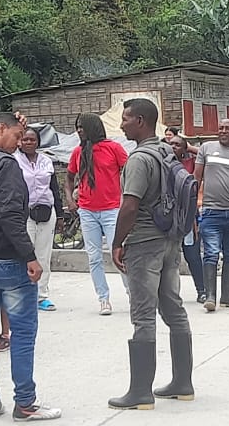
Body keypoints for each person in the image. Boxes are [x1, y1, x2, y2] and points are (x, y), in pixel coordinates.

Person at [0, 112, 62, 421]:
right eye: (17, 136)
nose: (20, 143)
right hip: (8, 260)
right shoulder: (5, 165)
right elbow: (10, 215)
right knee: (22, 333)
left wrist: (17, 124)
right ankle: (25, 402)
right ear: (1, 129)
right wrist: (30, 255)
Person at [108, 98, 195, 410]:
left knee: (143, 316)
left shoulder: (139, 160)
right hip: (170, 239)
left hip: (144, 243)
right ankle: (183, 384)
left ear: (141, 121)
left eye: (126, 119)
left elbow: (130, 205)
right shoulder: (166, 151)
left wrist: (117, 243)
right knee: (174, 309)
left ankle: (140, 392)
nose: (121, 125)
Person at [67, 112, 128, 316]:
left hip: (112, 209)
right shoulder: (78, 152)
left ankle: (133, 294)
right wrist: (69, 198)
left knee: (119, 254)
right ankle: (104, 299)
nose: (79, 130)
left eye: (82, 126)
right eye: (77, 127)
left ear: (93, 127)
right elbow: (69, 177)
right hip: (87, 210)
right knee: (94, 258)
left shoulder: (113, 148)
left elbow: (129, 170)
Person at [193, 118, 229, 312]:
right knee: (210, 253)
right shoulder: (206, 149)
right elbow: (197, 178)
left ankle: (228, 296)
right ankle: (210, 296)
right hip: (211, 212)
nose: (223, 131)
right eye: (221, 128)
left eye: (228, 128)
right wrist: (193, 206)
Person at [16, 127, 64, 312]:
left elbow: (54, 188)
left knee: (44, 255)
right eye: (25, 140)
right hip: (25, 213)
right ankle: (25, 296)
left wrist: (60, 215)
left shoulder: (46, 161)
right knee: (26, 254)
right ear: (20, 141)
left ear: (38, 142)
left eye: (32, 140)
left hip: (46, 212)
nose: (28, 143)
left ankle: (42, 296)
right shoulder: (14, 161)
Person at [169, 135, 206, 303]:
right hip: (169, 218)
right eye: (171, 144)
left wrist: (190, 148)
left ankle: (202, 290)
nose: (173, 146)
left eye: (178, 145)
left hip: (189, 217)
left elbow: (207, 156)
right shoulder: (164, 165)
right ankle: (170, 294)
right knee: (169, 258)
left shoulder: (192, 163)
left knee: (192, 255)